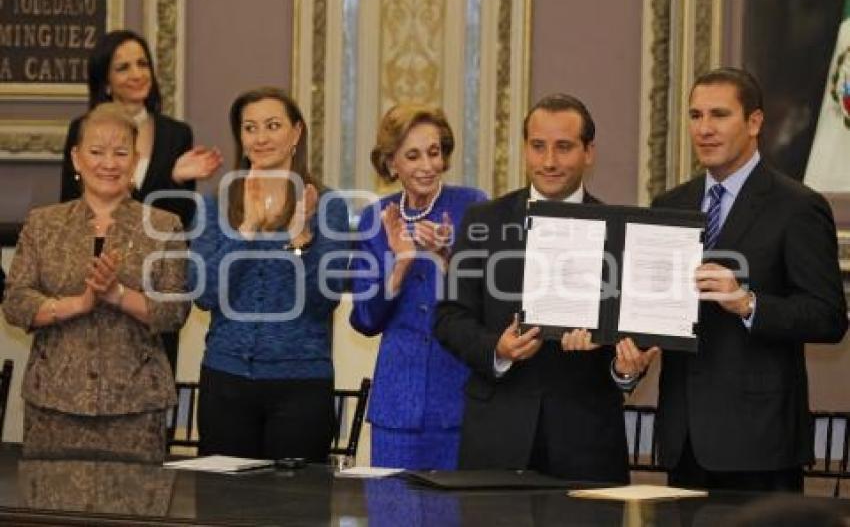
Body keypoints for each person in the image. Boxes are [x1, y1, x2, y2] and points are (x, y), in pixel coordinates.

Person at [434, 94, 657, 482]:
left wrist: (625, 370)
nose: (549, 161)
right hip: (496, 437)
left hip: (587, 443)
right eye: (538, 147)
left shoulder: (624, 233)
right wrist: (498, 349)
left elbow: (630, 344)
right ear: (525, 150)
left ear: (589, 152)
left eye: (564, 147)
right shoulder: (483, 220)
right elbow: (450, 317)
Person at [653, 67, 848, 492]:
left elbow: (828, 318)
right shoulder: (669, 204)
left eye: (719, 115)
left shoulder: (797, 206)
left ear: (755, 122)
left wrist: (748, 303)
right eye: (695, 115)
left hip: (761, 444)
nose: (704, 129)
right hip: (683, 441)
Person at [2, 103, 190, 462]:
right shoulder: (43, 224)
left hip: (135, 407)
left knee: (134, 515)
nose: (108, 163)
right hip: (54, 404)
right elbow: (16, 302)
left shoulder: (164, 226)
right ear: (76, 158)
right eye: (96, 152)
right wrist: (77, 304)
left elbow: (174, 311)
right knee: (53, 514)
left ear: (135, 160)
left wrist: (117, 294)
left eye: (121, 153)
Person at [189, 87, 349, 462]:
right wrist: (246, 230)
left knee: (295, 511)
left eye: (273, 125)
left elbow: (322, 301)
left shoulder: (328, 207)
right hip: (225, 380)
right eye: (250, 128)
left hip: (302, 385)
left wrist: (299, 240)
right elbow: (204, 293)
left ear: (296, 133)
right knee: (223, 507)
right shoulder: (214, 206)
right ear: (240, 139)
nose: (261, 138)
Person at [59, 29, 222, 373]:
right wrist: (168, 178)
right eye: (123, 68)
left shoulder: (176, 133)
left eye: (142, 64)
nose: (136, 74)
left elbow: (176, 220)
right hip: (94, 282)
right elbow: (71, 207)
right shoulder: (81, 129)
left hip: (153, 285)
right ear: (105, 81)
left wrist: (176, 182)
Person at [349, 104, 487, 469]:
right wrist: (401, 263)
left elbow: (491, 297)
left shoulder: (473, 206)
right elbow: (363, 319)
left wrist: (446, 257)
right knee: (393, 513)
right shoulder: (374, 218)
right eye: (413, 155)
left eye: (434, 152)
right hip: (397, 403)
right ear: (392, 163)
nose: (427, 165)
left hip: (458, 395)